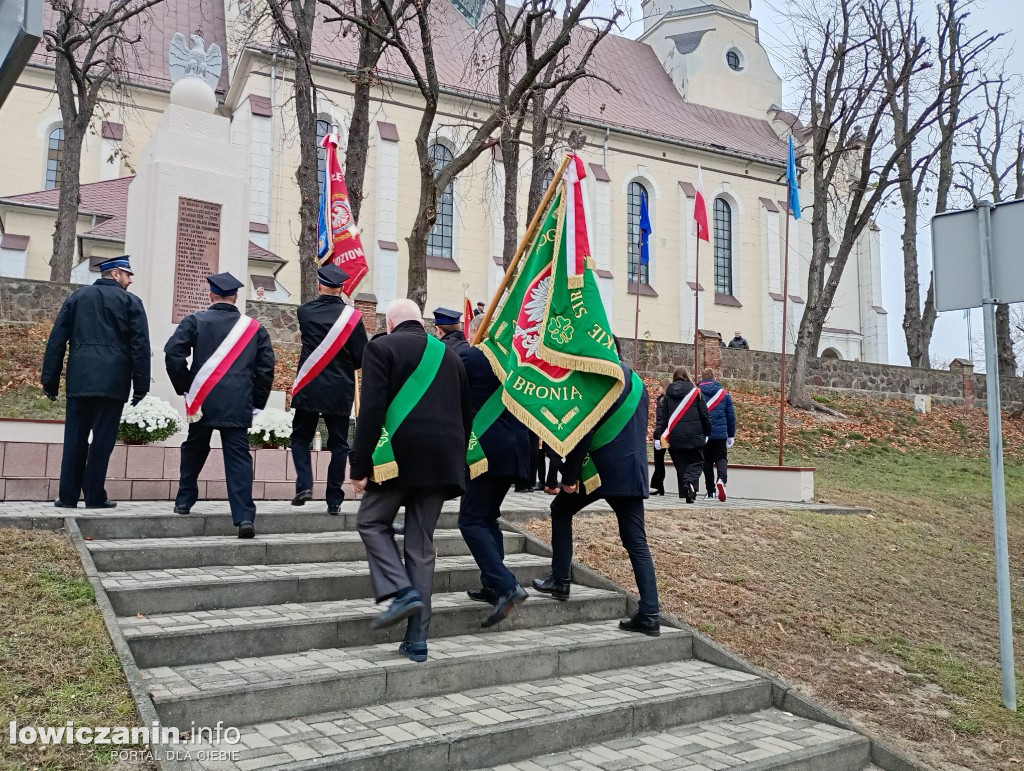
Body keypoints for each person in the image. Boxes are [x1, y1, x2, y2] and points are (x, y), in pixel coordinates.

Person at [350, 299, 471, 662]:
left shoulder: (380, 347)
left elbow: (370, 410)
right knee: (420, 548)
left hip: (396, 461)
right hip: (441, 464)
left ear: (389, 323)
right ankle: (417, 640)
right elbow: (467, 412)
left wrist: (359, 466)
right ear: (422, 322)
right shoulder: (450, 356)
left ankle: (400, 591)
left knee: (370, 521)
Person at [533, 344, 661, 636]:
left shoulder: (599, 378)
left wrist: (569, 476)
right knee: (636, 542)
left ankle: (560, 579)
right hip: (631, 472)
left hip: (598, 471)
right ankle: (650, 613)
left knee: (560, 510)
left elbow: (584, 430)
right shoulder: (639, 383)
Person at [165, 273, 275, 538]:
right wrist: (257, 402)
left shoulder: (195, 321)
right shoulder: (254, 328)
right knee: (237, 458)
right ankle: (244, 517)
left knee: (194, 448)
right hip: (237, 402)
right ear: (235, 296)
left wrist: (186, 384)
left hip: (203, 399)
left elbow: (173, 353)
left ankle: (184, 500)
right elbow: (266, 369)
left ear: (211, 295)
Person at [41, 256, 150, 509]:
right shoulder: (131, 303)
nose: (130, 280)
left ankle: (67, 497)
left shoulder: (77, 298)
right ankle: (94, 496)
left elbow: (57, 340)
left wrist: (50, 380)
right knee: (102, 441)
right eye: (127, 274)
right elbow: (140, 346)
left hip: (80, 380)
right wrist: (141, 385)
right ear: (114, 274)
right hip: (113, 383)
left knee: (74, 438)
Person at [456, 315, 531, 627]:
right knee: (487, 516)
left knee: (470, 520)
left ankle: (506, 585)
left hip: (484, 450)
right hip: (515, 451)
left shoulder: (471, 357)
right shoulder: (516, 364)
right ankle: (491, 584)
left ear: (478, 333)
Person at [290, 264, 368, 515]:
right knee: (338, 444)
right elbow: (360, 356)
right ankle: (334, 498)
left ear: (319, 285)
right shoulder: (353, 318)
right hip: (339, 388)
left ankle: (304, 485)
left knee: (300, 438)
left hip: (309, 386)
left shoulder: (305, 312)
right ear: (342, 288)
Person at [655, 366, 711, 503]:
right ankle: (690, 484)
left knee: (681, 465)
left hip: (675, 436)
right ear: (687, 376)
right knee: (697, 461)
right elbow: (704, 414)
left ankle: (688, 494)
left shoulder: (668, 394)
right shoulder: (696, 392)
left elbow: (664, 418)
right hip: (695, 434)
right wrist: (708, 431)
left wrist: (658, 436)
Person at [698, 368, 736, 502]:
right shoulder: (724, 394)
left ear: (702, 378)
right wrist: (731, 435)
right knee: (721, 458)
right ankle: (721, 480)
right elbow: (731, 416)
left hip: (704, 434)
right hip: (720, 434)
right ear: (714, 378)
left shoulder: (696, 393)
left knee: (706, 461)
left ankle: (710, 491)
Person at [649, 381, 669, 496]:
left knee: (659, 461)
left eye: (660, 387)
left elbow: (660, 421)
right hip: (667, 434)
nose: (658, 389)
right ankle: (659, 486)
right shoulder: (668, 400)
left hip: (662, 436)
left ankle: (659, 486)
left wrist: (657, 437)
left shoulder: (662, 401)